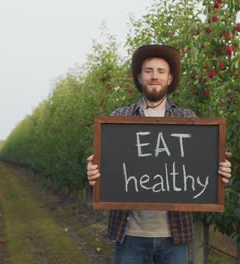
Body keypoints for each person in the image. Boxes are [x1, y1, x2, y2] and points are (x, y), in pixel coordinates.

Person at [86, 44, 232, 264]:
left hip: (174, 236)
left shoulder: (187, 119)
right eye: (148, 71)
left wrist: (221, 171)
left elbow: (203, 166)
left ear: (170, 78)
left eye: (161, 71)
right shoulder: (119, 118)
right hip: (130, 235)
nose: (154, 77)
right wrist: (94, 171)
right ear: (139, 77)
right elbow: (105, 166)